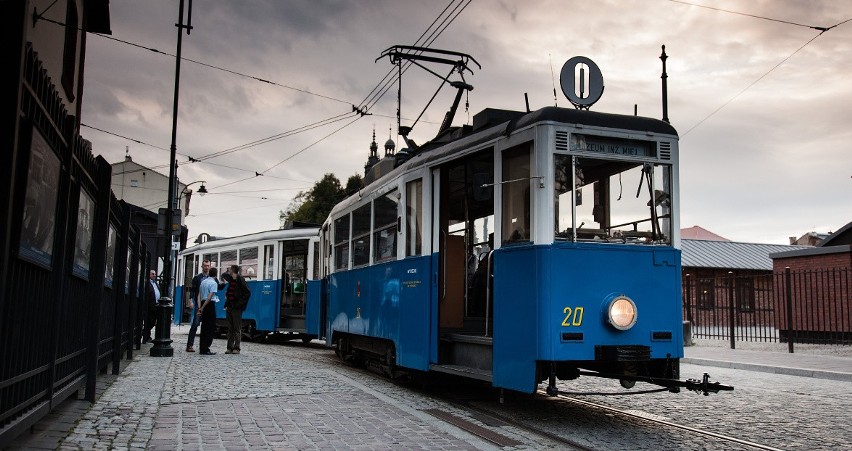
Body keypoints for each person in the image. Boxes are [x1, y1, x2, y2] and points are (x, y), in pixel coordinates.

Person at [223, 265, 249, 354]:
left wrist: (240, 304)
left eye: (230, 269)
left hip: (236, 307)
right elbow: (224, 275)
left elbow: (247, 293)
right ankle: (229, 347)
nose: (229, 270)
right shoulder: (231, 280)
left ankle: (236, 348)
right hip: (229, 306)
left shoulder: (240, 280)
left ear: (233, 270)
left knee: (236, 328)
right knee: (230, 328)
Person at [198, 267, 220, 355]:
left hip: (202, 303)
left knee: (204, 327)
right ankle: (206, 347)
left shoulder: (203, 282)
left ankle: (202, 347)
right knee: (210, 327)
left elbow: (199, 295)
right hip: (209, 305)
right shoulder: (214, 283)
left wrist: (200, 307)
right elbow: (210, 297)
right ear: (215, 274)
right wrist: (202, 308)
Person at [143, 270, 159, 343]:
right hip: (150, 305)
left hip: (156, 305)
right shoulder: (147, 283)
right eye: (152, 274)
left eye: (155, 274)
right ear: (149, 274)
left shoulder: (155, 283)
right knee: (150, 321)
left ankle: (145, 333)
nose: (154, 275)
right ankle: (146, 336)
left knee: (153, 321)